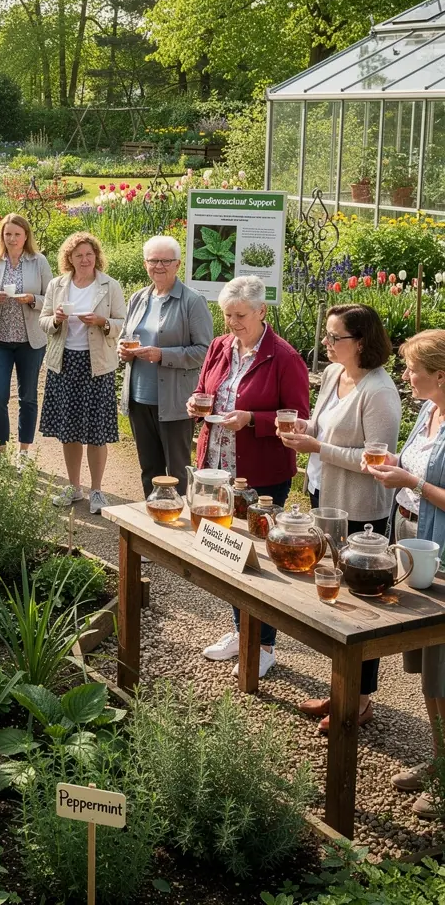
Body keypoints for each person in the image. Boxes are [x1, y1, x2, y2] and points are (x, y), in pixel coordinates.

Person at [279, 304, 400, 732]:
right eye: (327, 336)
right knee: (330, 593)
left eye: (335, 338)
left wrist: (319, 449)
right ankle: (340, 689)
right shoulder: (333, 375)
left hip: (361, 511)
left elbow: (377, 459)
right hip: (324, 495)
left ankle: (360, 699)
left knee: (359, 605)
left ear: (362, 341)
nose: (326, 344)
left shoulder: (379, 390)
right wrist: (303, 431)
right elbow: (325, 427)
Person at [192, 274, 310, 679]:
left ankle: (264, 645)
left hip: (261, 472)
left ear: (262, 311)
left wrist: (252, 420)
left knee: (261, 557)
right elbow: (205, 387)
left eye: (240, 315)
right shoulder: (220, 346)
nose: (232, 323)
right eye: (227, 315)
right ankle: (240, 630)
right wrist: (197, 401)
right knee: (228, 548)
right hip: (220, 466)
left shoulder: (284, 357)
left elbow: (299, 419)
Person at [367, 329, 445, 818]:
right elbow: (414, 465)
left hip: (444, 552)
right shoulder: (428, 411)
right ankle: (439, 760)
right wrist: (395, 466)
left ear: (441, 374)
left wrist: (411, 479)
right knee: (427, 666)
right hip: (413, 542)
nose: (405, 375)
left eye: (412, 368)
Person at [38, 231, 126, 515]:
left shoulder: (109, 285)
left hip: (96, 365)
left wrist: (103, 322)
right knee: (69, 431)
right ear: (70, 259)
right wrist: (55, 320)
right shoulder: (57, 284)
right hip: (64, 364)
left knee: (96, 432)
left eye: (89, 254)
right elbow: (43, 321)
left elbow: (121, 323)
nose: (85, 259)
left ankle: (97, 490)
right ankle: (75, 487)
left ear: (96, 256)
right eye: (79, 255)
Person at [119, 234, 213, 496]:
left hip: (174, 401)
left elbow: (205, 352)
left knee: (178, 470)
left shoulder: (192, 301)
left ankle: (181, 525)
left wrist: (163, 355)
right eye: (153, 260)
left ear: (177, 264)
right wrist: (123, 351)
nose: (158, 266)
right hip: (139, 398)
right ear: (145, 264)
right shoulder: (138, 298)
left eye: (165, 261)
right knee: (149, 469)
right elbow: (127, 337)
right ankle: (153, 520)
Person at [0, 213, 53, 456]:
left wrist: (31, 300)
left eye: (17, 234)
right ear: (2, 235)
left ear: (26, 236)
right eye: (7, 234)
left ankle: (24, 452)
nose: (12, 238)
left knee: (28, 396)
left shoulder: (38, 261)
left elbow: (51, 299)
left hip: (30, 341)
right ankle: (1, 451)